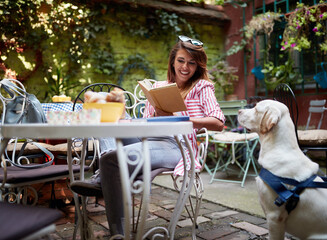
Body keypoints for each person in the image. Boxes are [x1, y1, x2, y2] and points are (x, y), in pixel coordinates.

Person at [73, 35, 225, 237]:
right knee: (110, 117)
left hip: (177, 146)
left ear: (198, 66)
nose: (185, 67)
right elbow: (146, 123)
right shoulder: (159, 87)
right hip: (150, 139)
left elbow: (218, 122)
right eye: (181, 61)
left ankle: (118, 230)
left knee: (109, 159)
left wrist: (180, 118)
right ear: (173, 61)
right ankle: (105, 176)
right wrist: (154, 112)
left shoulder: (201, 87)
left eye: (191, 63)